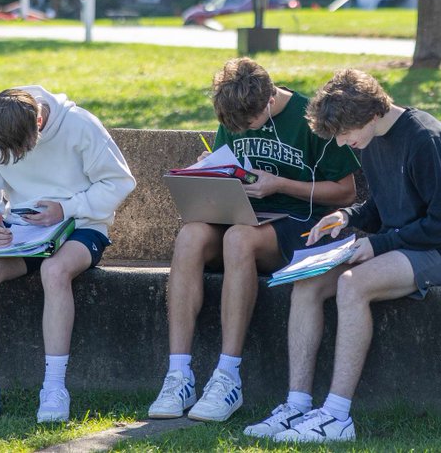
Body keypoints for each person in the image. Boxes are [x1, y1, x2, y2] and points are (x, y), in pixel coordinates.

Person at [243, 69, 441, 443]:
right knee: (306, 283)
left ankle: (337, 417)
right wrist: (346, 216)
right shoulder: (369, 138)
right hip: (399, 244)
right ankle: (296, 405)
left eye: (343, 133)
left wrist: (378, 245)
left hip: (440, 252)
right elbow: (382, 205)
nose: (341, 143)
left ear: (370, 112)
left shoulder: (427, 139)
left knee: (353, 285)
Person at [147, 58, 360, 422]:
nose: (242, 129)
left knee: (238, 240)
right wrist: (212, 169)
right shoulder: (236, 112)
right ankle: (178, 375)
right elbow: (231, 166)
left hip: (298, 224)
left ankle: (227, 376)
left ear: (269, 100)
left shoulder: (309, 117)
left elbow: (346, 192)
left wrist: (280, 185)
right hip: (243, 214)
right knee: (190, 236)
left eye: (249, 124)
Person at [0, 86, 136, 423]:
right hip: (26, 232)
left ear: (38, 122)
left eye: (21, 150)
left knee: (55, 270)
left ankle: (53, 388)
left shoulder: (80, 125)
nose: (14, 158)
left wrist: (66, 208)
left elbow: (119, 182)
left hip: (82, 226)